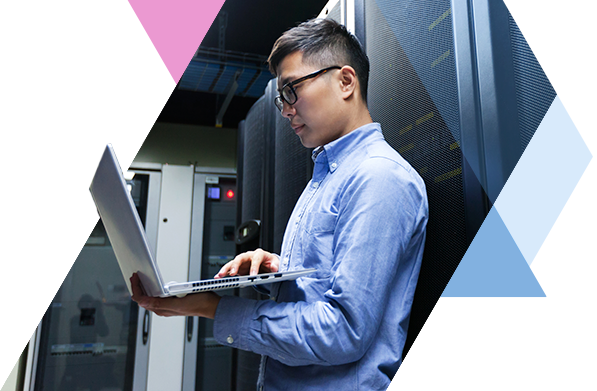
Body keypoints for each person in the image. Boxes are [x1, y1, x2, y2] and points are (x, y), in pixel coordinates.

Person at [131, 18, 428, 390]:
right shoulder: (328, 176)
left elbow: (344, 331)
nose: (285, 109)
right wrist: (278, 273)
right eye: (281, 97)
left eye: (292, 90)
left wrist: (212, 307)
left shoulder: (379, 178)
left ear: (346, 81)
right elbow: (325, 289)